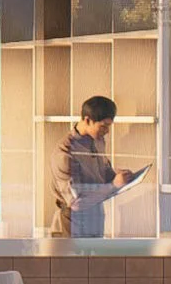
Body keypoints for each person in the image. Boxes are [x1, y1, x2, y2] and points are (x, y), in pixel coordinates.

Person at [53, 96, 130, 239]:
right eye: (103, 126)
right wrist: (113, 185)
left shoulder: (98, 140)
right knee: (75, 261)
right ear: (87, 120)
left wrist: (118, 175)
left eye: (109, 126)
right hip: (73, 222)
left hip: (95, 215)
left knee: (96, 260)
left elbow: (103, 173)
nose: (107, 131)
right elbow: (76, 202)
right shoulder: (65, 152)